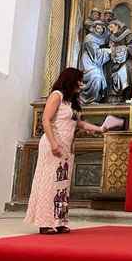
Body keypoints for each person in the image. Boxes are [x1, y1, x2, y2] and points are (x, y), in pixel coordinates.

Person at [25, 68, 108, 234]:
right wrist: (53, 143)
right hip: (53, 145)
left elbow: (79, 123)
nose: (82, 84)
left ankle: (59, 220)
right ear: (71, 79)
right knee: (50, 183)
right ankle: (45, 221)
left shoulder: (71, 102)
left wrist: (100, 128)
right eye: (79, 80)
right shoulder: (57, 95)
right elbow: (46, 119)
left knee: (62, 186)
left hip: (67, 147)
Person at [79, 20, 111, 104]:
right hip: (89, 60)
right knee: (96, 77)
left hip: (98, 64)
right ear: (94, 29)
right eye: (98, 28)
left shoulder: (105, 37)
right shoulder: (89, 38)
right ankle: (90, 99)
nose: (100, 30)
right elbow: (96, 55)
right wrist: (109, 51)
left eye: (101, 28)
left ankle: (96, 98)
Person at [107, 19, 132, 102]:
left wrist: (125, 50)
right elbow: (111, 48)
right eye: (109, 28)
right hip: (116, 62)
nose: (110, 30)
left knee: (123, 72)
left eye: (111, 27)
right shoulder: (112, 37)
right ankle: (117, 97)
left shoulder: (128, 34)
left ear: (117, 25)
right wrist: (114, 53)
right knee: (112, 75)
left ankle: (127, 95)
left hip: (128, 60)